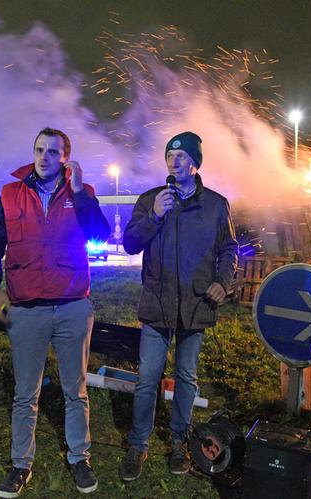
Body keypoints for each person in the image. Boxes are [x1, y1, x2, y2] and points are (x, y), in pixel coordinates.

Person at [0, 127, 110, 498]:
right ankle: (21, 464)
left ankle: (79, 458)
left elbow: (100, 234)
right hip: (26, 309)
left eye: (53, 152)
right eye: (39, 149)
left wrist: (82, 192)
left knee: (76, 389)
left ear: (65, 157)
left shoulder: (81, 193)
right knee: (25, 393)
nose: (44, 157)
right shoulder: (10, 195)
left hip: (72, 305)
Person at [119, 131, 238, 481]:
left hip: (196, 305)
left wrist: (223, 281)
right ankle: (138, 444)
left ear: (196, 163)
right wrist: (154, 216)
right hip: (157, 306)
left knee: (186, 377)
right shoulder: (151, 200)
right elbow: (129, 243)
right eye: (170, 156)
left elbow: (229, 249)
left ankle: (179, 442)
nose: (174, 161)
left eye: (182, 156)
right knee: (148, 378)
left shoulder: (216, 205)